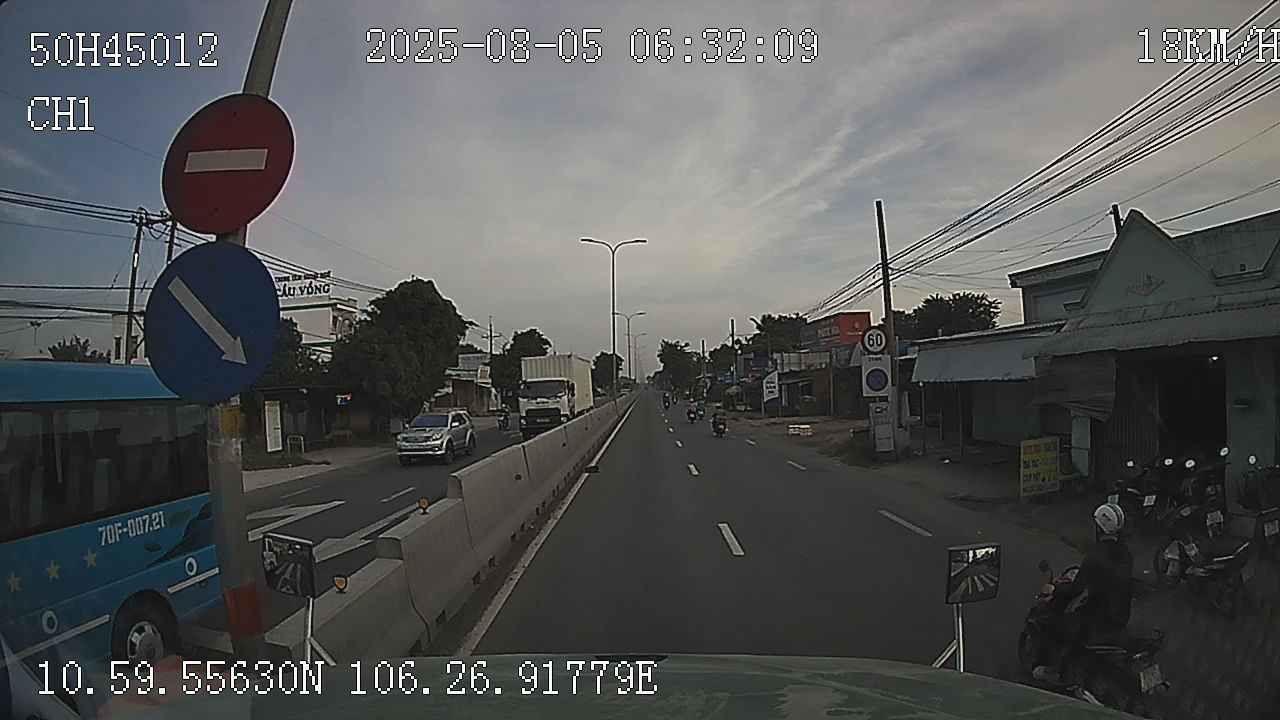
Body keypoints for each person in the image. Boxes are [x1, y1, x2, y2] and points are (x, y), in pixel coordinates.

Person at [1032, 502, 1134, 684]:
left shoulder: (1095, 556)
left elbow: (1075, 590)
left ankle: (1055, 671)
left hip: (1097, 618)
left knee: (1053, 625)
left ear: (1099, 528)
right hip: (1121, 615)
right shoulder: (1126, 553)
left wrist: (1056, 590)